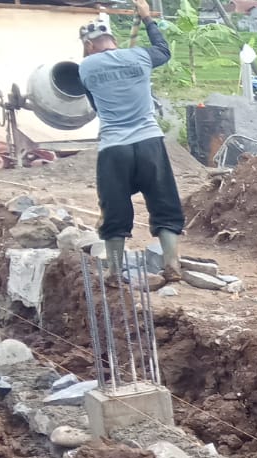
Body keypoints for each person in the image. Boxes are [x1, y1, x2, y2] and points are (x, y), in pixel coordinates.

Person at [78, 0, 184, 286]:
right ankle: (172, 265)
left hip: (114, 148)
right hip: (149, 141)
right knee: (164, 203)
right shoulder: (140, 56)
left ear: (89, 45)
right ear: (112, 40)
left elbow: (96, 107)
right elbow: (164, 50)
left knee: (115, 208)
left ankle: (114, 272)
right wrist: (147, 19)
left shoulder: (85, 68)